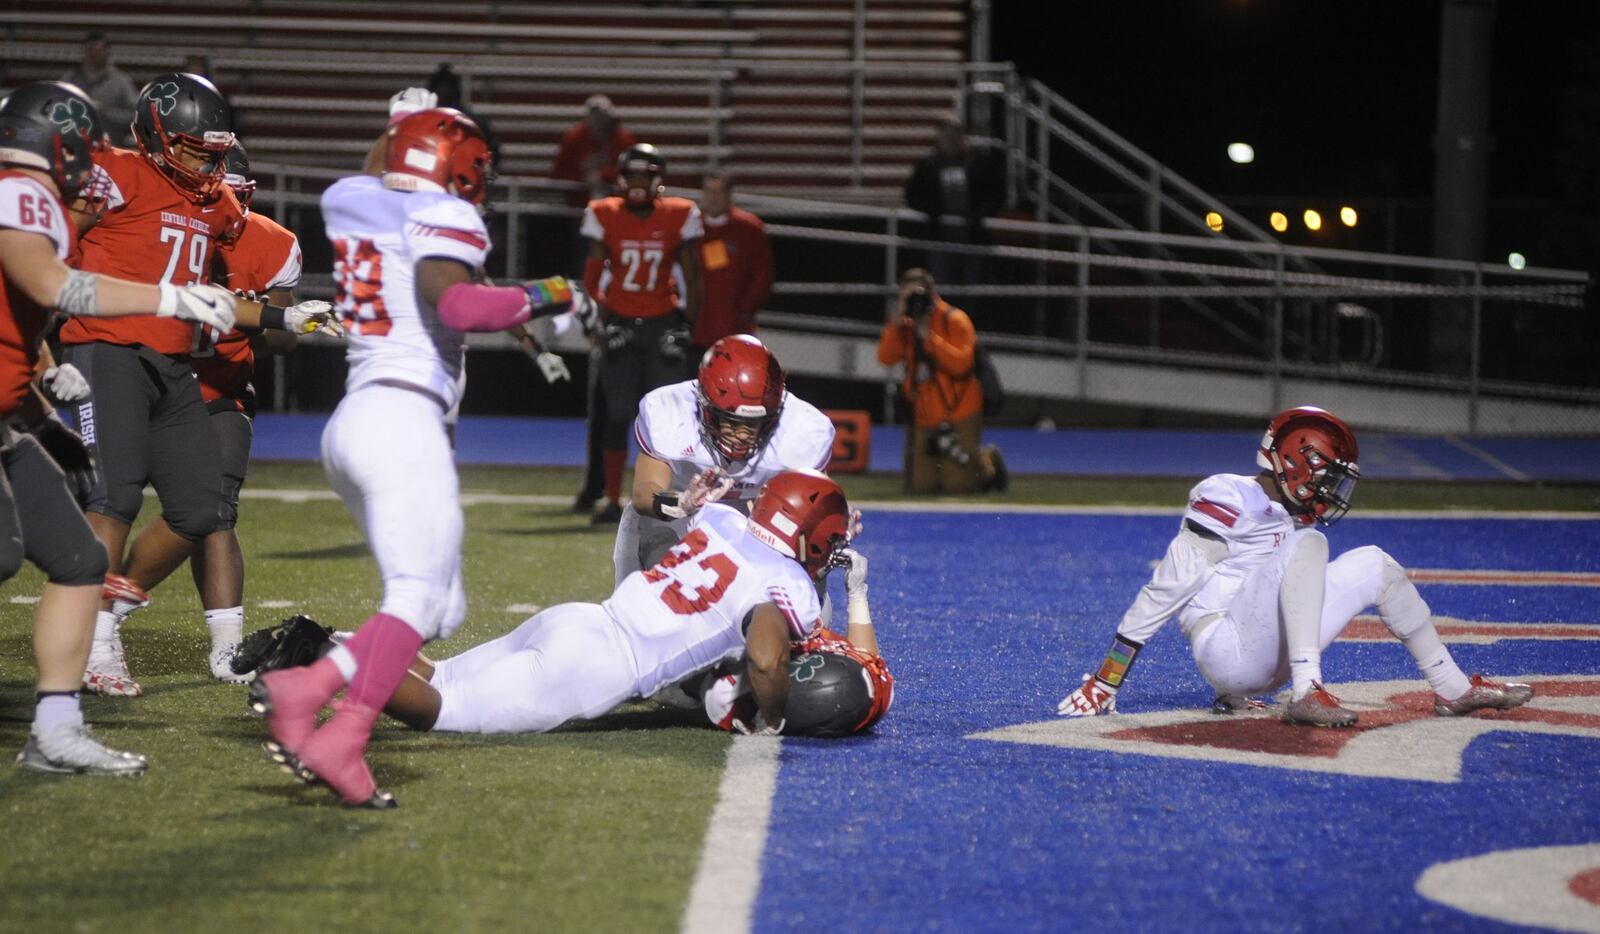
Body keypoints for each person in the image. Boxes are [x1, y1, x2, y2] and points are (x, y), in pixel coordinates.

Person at [249, 107, 593, 808]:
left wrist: (403, 127)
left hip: (356, 419)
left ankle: (315, 693)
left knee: (440, 608)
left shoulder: (351, 197)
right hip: (401, 417)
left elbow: (383, 169)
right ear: (452, 167)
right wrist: (553, 293)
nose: (482, 185)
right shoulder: (446, 215)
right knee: (416, 597)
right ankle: (332, 723)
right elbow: (463, 307)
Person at [0, 100, 236, 774]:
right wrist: (169, 298)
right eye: (81, 149)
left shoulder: (39, 195)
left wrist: (43, 400)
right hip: (100, 360)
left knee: (79, 560)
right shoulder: (24, 192)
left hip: (18, 416)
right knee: (40, 538)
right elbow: (55, 285)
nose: (90, 166)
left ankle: (55, 729)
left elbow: (20, 316)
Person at [1057, 406, 1535, 727]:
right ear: (1297, 463)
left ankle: (1451, 688)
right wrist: (1106, 679)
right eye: (1328, 476)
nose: (1331, 491)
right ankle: (1307, 691)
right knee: (1308, 544)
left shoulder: (1285, 517)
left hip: (1256, 661)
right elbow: (1170, 585)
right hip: (1224, 647)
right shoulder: (1228, 493)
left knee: (1377, 564)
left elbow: (1260, 587)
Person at [336, 470, 875, 738]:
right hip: (600, 666)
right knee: (443, 711)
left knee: (442, 675)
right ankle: (323, 658)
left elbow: (705, 531)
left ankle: (333, 642)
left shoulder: (726, 520)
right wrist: (773, 720)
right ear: (811, 538)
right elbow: (765, 657)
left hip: (581, 618)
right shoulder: (792, 588)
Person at [116, 140, 339, 683]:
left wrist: (268, 316)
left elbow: (283, 344)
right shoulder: (158, 222)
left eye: (236, 197)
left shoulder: (271, 243)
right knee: (113, 502)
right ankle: (99, 618)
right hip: (142, 378)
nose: (228, 210)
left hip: (220, 389)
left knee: (215, 510)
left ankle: (225, 646)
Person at [56, 73, 250, 697]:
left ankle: (108, 611)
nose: (207, 162)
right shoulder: (114, 172)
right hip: (104, 349)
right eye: (195, 147)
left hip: (172, 364)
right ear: (158, 134)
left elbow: (218, 292)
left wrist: (280, 315)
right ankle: (93, 644)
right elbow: (52, 246)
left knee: (199, 508)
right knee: (113, 498)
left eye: (213, 150)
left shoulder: (216, 204)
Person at [614, 334, 833, 587]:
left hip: (761, 517)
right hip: (678, 512)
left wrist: (827, 530)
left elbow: (812, 508)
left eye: (755, 425)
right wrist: (681, 503)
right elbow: (644, 495)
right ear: (704, 405)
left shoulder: (805, 430)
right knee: (648, 603)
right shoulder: (670, 411)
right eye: (730, 422)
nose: (742, 435)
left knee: (805, 609)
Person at [581, 143, 703, 525]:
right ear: (620, 179)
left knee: (670, 420)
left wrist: (685, 325)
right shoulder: (604, 214)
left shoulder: (679, 215)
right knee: (616, 414)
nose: (637, 184)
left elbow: (694, 276)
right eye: (632, 175)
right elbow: (590, 276)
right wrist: (601, 324)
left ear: (658, 181)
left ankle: (671, 497)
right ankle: (610, 498)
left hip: (662, 323)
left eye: (645, 176)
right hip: (621, 321)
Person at [875, 267, 1002, 494]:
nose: (917, 300)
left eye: (919, 293)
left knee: (958, 487)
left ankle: (986, 463)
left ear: (933, 292)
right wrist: (896, 320)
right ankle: (971, 460)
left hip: (960, 409)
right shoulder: (904, 325)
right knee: (921, 487)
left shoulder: (954, 319)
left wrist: (930, 338)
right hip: (924, 413)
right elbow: (885, 358)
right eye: (909, 293)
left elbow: (962, 363)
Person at [903, 115, 1004, 286]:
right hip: (939, 236)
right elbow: (912, 195)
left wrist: (977, 215)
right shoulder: (928, 165)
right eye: (946, 136)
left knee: (972, 285)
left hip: (972, 236)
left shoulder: (978, 162)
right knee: (942, 286)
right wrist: (932, 212)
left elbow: (996, 194)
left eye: (954, 135)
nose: (950, 140)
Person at [690, 171, 773, 360]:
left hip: (735, 330)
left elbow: (762, 275)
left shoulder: (749, 228)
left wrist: (744, 312)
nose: (713, 197)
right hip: (697, 332)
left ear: (729, 194)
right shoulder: (691, 227)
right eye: (709, 191)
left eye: (719, 191)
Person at [551, 94, 636, 210]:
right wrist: (583, 178)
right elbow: (560, 172)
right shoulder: (574, 139)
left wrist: (604, 176)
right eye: (593, 116)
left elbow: (632, 171)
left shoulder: (623, 140)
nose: (597, 120)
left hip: (616, 203)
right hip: (578, 203)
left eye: (601, 116)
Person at [60, 32, 139, 147]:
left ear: (107, 52)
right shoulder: (70, 79)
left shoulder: (121, 81)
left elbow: (135, 115)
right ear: (83, 51)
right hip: (75, 145)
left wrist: (108, 113)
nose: (93, 54)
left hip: (111, 147)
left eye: (98, 50)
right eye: (90, 50)